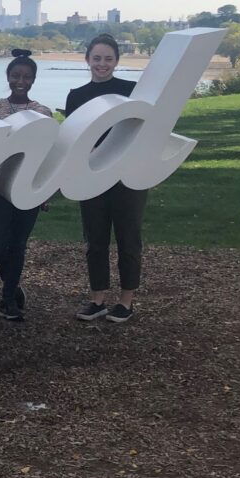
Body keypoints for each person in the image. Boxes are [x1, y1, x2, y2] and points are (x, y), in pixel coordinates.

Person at [66, 33, 146, 324]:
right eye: (97, 58)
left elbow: (142, 130)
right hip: (92, 175)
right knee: (95, 239)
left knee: (128, 238)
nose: (102, 64)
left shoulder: (132, 90)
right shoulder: (76, 95)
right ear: (87, 59)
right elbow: (73, 138)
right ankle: (97, 298)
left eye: (108, 59)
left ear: (117, 61)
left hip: (128, 175)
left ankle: (126, 301)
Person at [0, 49, 52, 321]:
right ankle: (12, 286)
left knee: (19, 243)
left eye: (26, 76)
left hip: (29, 185)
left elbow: (48, 152)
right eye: (16, 75)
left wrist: (45, 189)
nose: (20, 80)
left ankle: (8, 298)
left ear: (33, 79)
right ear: (8, 77)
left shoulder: (42, 112)